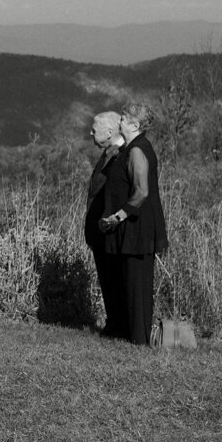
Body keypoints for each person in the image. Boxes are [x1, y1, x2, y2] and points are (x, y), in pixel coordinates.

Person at [98, 110, 169, 347]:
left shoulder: (138, 150)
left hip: (138, 230)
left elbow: (142, 192)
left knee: (137, 286)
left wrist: (117, 217)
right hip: (128, 230)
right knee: (128, 284)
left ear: (135, 124)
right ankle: (129, 336)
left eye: (123, 118)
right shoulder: (127, 150)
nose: (118, 120)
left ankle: (139, 342)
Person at [84, 110, 126, 340]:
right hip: (99, 231)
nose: (90, 132)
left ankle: (118, 325)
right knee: (107, 278)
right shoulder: (107, 154)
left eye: (94, 128)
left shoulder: (120, 155)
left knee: (114, 277)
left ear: (109, 132)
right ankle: (113, 324)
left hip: (108, 229)